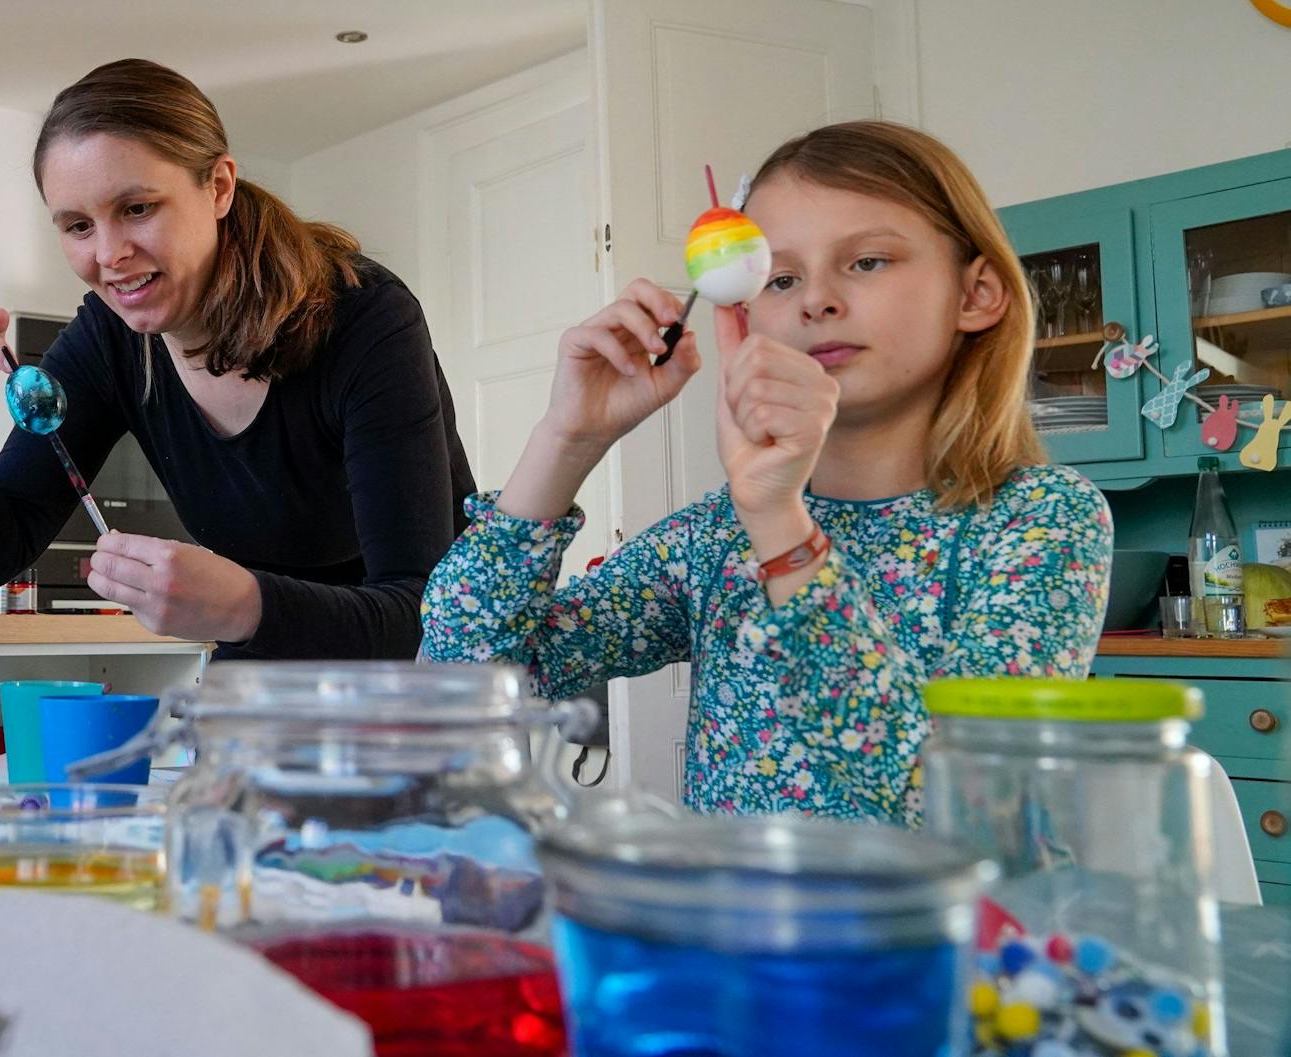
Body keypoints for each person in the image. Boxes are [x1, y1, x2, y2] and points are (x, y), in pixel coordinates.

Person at [420, 121, 1112, 826]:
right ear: (748, 318)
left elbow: (961, 804)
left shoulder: (1041, 519)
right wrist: (567, 437)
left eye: (868, 262)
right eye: (780, 277)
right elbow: (461, 688)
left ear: (977, 293)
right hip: (735, 932)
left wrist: (781, 528)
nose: (817, 299)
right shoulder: (718, 536)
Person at [0, 58, 473, 660]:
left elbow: (423, 613)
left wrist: (246, 605)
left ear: (218, 187)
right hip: (264, 664)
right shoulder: (109, 338)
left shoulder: (365, 319)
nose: (110, 254)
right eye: (79, 225)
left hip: (423, 679)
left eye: (137, 208)